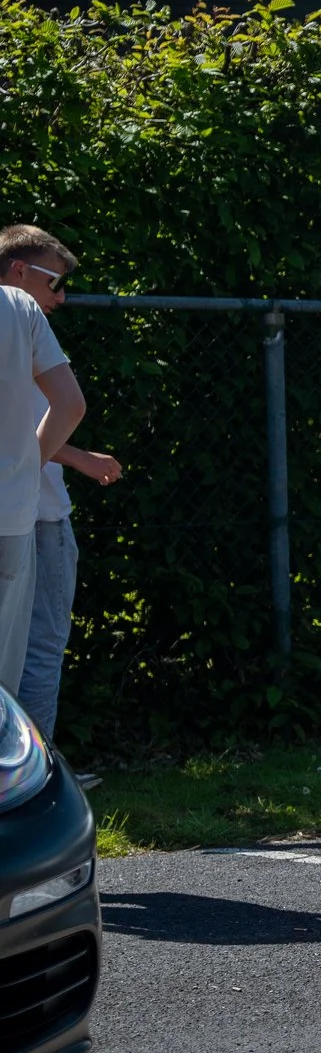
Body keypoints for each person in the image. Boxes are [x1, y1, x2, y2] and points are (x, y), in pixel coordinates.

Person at [0, 227, 87, 728]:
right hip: (14, 515)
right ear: (18, 270)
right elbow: (70, 404)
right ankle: (25, 786)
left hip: (25, 510)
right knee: (16, 668)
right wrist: (27, 465)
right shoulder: (18, 309)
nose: (61, 295)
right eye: (54, 281)